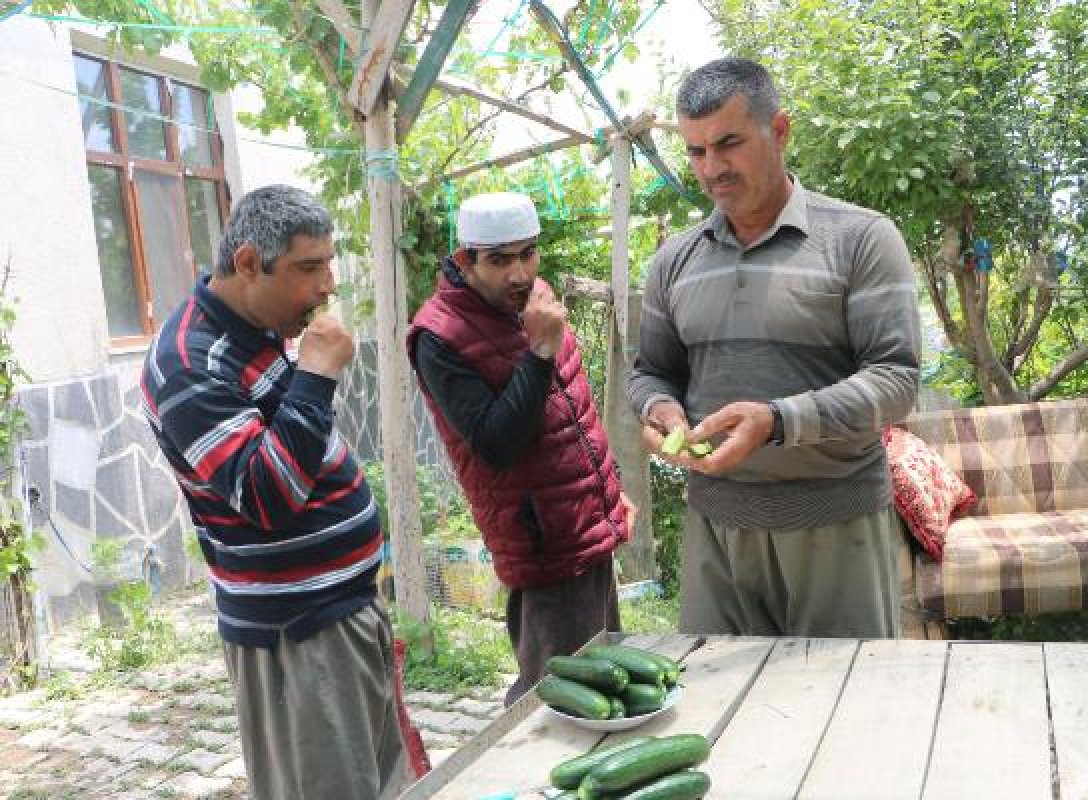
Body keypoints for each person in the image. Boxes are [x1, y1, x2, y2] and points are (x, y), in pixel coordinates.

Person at [629, 58, 921, 638]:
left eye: (729, 143)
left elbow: (895, 380)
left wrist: (778, 421)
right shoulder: (673, 260)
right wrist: (658, 412)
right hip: (716, 530)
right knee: (722, 712)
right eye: (696, 151)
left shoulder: (861, 238)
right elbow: (650, 373)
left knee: (842, 710)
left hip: (835, 525)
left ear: (780, 130)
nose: (712, 167)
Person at [141, 185, 407, 798]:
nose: (328, 285)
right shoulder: (188, 363)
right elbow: (266, 494)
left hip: (339, 612)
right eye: (309, 268)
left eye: (329, 263)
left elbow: (293, 449)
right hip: (297, 637)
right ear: (247, 265)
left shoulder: (255, 331)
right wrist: (315, 375)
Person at [406, 191, 635, 706]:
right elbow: (496, 444)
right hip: (544, 547)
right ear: (465, 262)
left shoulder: (534, 297)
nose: (519, 273)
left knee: (607, 680)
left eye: (528, 253)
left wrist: (610, 493)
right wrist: (539, 352)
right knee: (557, 702)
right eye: (499, 260)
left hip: (587, 528)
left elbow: (573, 411)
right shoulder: (438, 337)